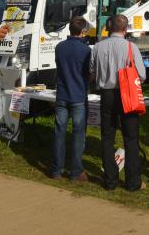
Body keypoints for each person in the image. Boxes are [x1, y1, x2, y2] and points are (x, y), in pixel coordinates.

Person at [90, 14, 146, 191]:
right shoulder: (131, 47)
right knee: (131, 138)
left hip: (106, 94)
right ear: (126, 29)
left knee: (107, 136)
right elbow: (142, 75)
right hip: (127, 93)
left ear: (109, 28)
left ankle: (110, 180)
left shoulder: (97, 47)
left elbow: (92, 72)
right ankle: (133, 182)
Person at [51, 16, 91, 181]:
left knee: (59, 133)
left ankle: (56, 170)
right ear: (83, 31)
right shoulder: (86, 50)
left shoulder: (59, 47)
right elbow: (88, 73)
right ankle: (76, 171)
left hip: (62, 94)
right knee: (78, 134)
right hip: (78, 96)